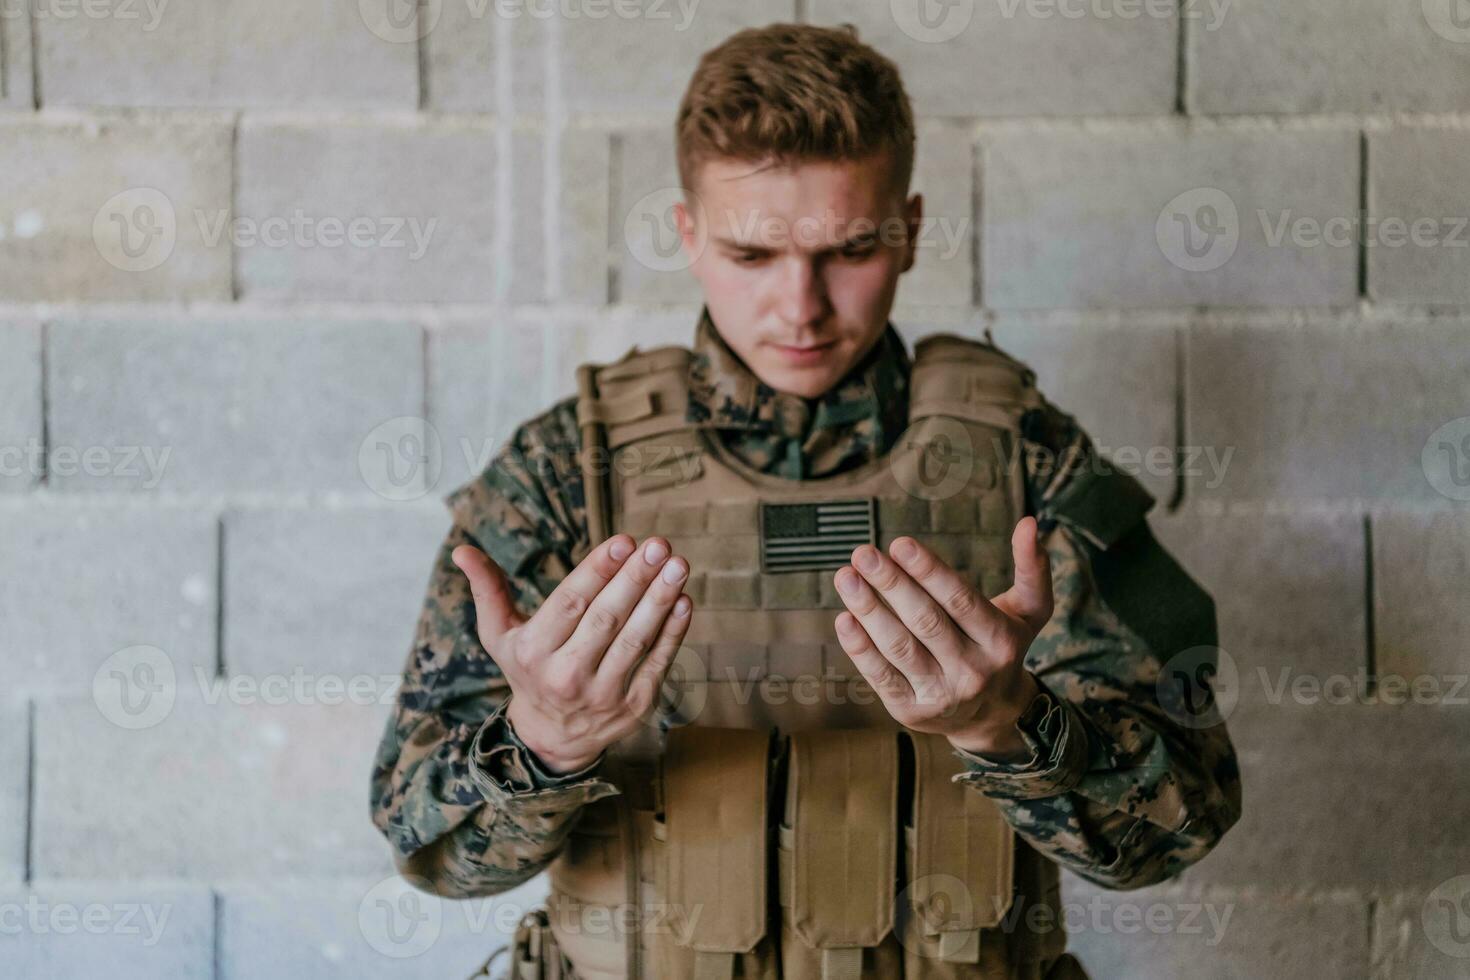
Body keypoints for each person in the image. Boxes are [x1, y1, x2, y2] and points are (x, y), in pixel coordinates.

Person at [370, 22, 1240, 980]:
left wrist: (1013, 723)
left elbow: (1181, 823)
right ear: (688, 235)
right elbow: (431, 852)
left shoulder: (1026, 455)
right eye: (752, 256)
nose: (801, 306)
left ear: (907, 228)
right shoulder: (562, 472)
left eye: (849, 249)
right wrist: (539, 743)